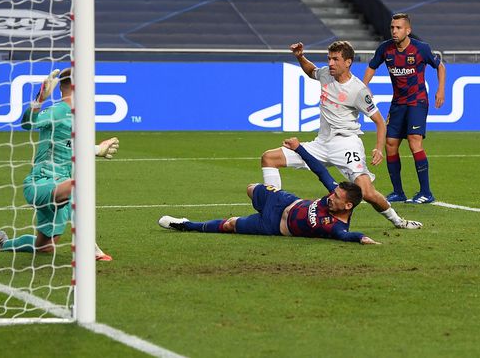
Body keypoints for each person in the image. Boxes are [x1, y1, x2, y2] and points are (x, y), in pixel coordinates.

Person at [260, 41, 422, 229]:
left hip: (346, 145)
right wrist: (299, 56)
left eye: (335, 59)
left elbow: (379, 121)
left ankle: (398, 221)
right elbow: (311, 71)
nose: (330, 63)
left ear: (348, 62)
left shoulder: (358, 90)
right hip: (320, 144)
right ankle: (271, 210)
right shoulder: (326, 75)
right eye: (329, 58)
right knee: (269, 158)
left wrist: (379, 148)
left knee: (366, 192)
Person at [0, 68, 120, 261]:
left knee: (45, 246)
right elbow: (28, 124)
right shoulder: (58, 110)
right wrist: (39, 99)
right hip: (42, 181)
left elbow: (72, 145)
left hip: (60, 186)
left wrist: (98, 149)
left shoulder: (79, 115)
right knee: (80, 186)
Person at [159, 138, 379, 244]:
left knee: (231, 224)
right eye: (333, 193)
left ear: (348, 206)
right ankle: (263, 198)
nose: (331, 197)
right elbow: (321, 171)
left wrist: (362, 238)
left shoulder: (335, 227)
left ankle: (186, 225)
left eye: (337, 197)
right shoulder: (335, 193)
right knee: (251, 188)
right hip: (283, 200)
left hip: (272, 226)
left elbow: (347, 235)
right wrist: (299, 149)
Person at [363, 13, 445, 204]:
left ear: (408, 30)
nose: (394, 31)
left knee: (414, 141)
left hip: (417, 101)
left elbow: (440, 66)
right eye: (392, 27)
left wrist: (440, 90)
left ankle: (426, 192)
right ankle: (398, 192)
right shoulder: (385, 48)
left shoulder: (420, 48)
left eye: (398, 28)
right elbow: (371, 67)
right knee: (390, 144)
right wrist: (364, 85)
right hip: (398, 103)